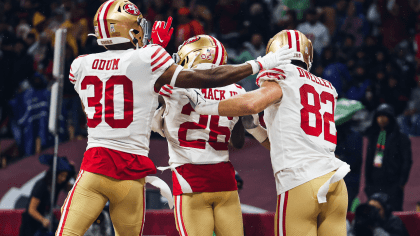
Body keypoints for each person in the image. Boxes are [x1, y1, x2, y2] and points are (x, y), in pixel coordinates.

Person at [56, 1, 294, 235]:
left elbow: (110, 97)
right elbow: (209, 82)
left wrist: (152, 54)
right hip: (138, 172)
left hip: (100, 165)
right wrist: (259, 64)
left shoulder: (79, 65)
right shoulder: (231, 90)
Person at [167, 29, 350, 235]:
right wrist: (254, 129)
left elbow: (251, 105)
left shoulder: (284, 76)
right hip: (335, 180)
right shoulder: (325, 86)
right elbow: (285, 142)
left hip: (302, 180)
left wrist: (204, 106)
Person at [152, 35, 247, 236]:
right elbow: (238, 142)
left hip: (190, 179)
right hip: (225, 180)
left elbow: (140, 84)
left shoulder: (173, 86)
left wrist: (155, 49)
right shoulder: (237, 90)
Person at [364, 104, 412, 211]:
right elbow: (368, 162)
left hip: (393, 184)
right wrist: (368, 185)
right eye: (379, 116)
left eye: (385, 116)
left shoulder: (401, 138)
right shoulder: (374, 138)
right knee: (374, 214)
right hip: (375, 184)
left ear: (391, 118)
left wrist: (401, 184)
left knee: (393, 213)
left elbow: (407, 161)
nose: (381, 119)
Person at [20, 155, 75, 236]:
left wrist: (73, 173)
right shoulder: (41, 186)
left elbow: (76, 188)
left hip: (46, 223)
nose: (63, 179)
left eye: (65, 176)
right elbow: (31, 209)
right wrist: (42, 220)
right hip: (32, 227)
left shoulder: (58, 184)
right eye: (62, 175)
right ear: (55, 173)